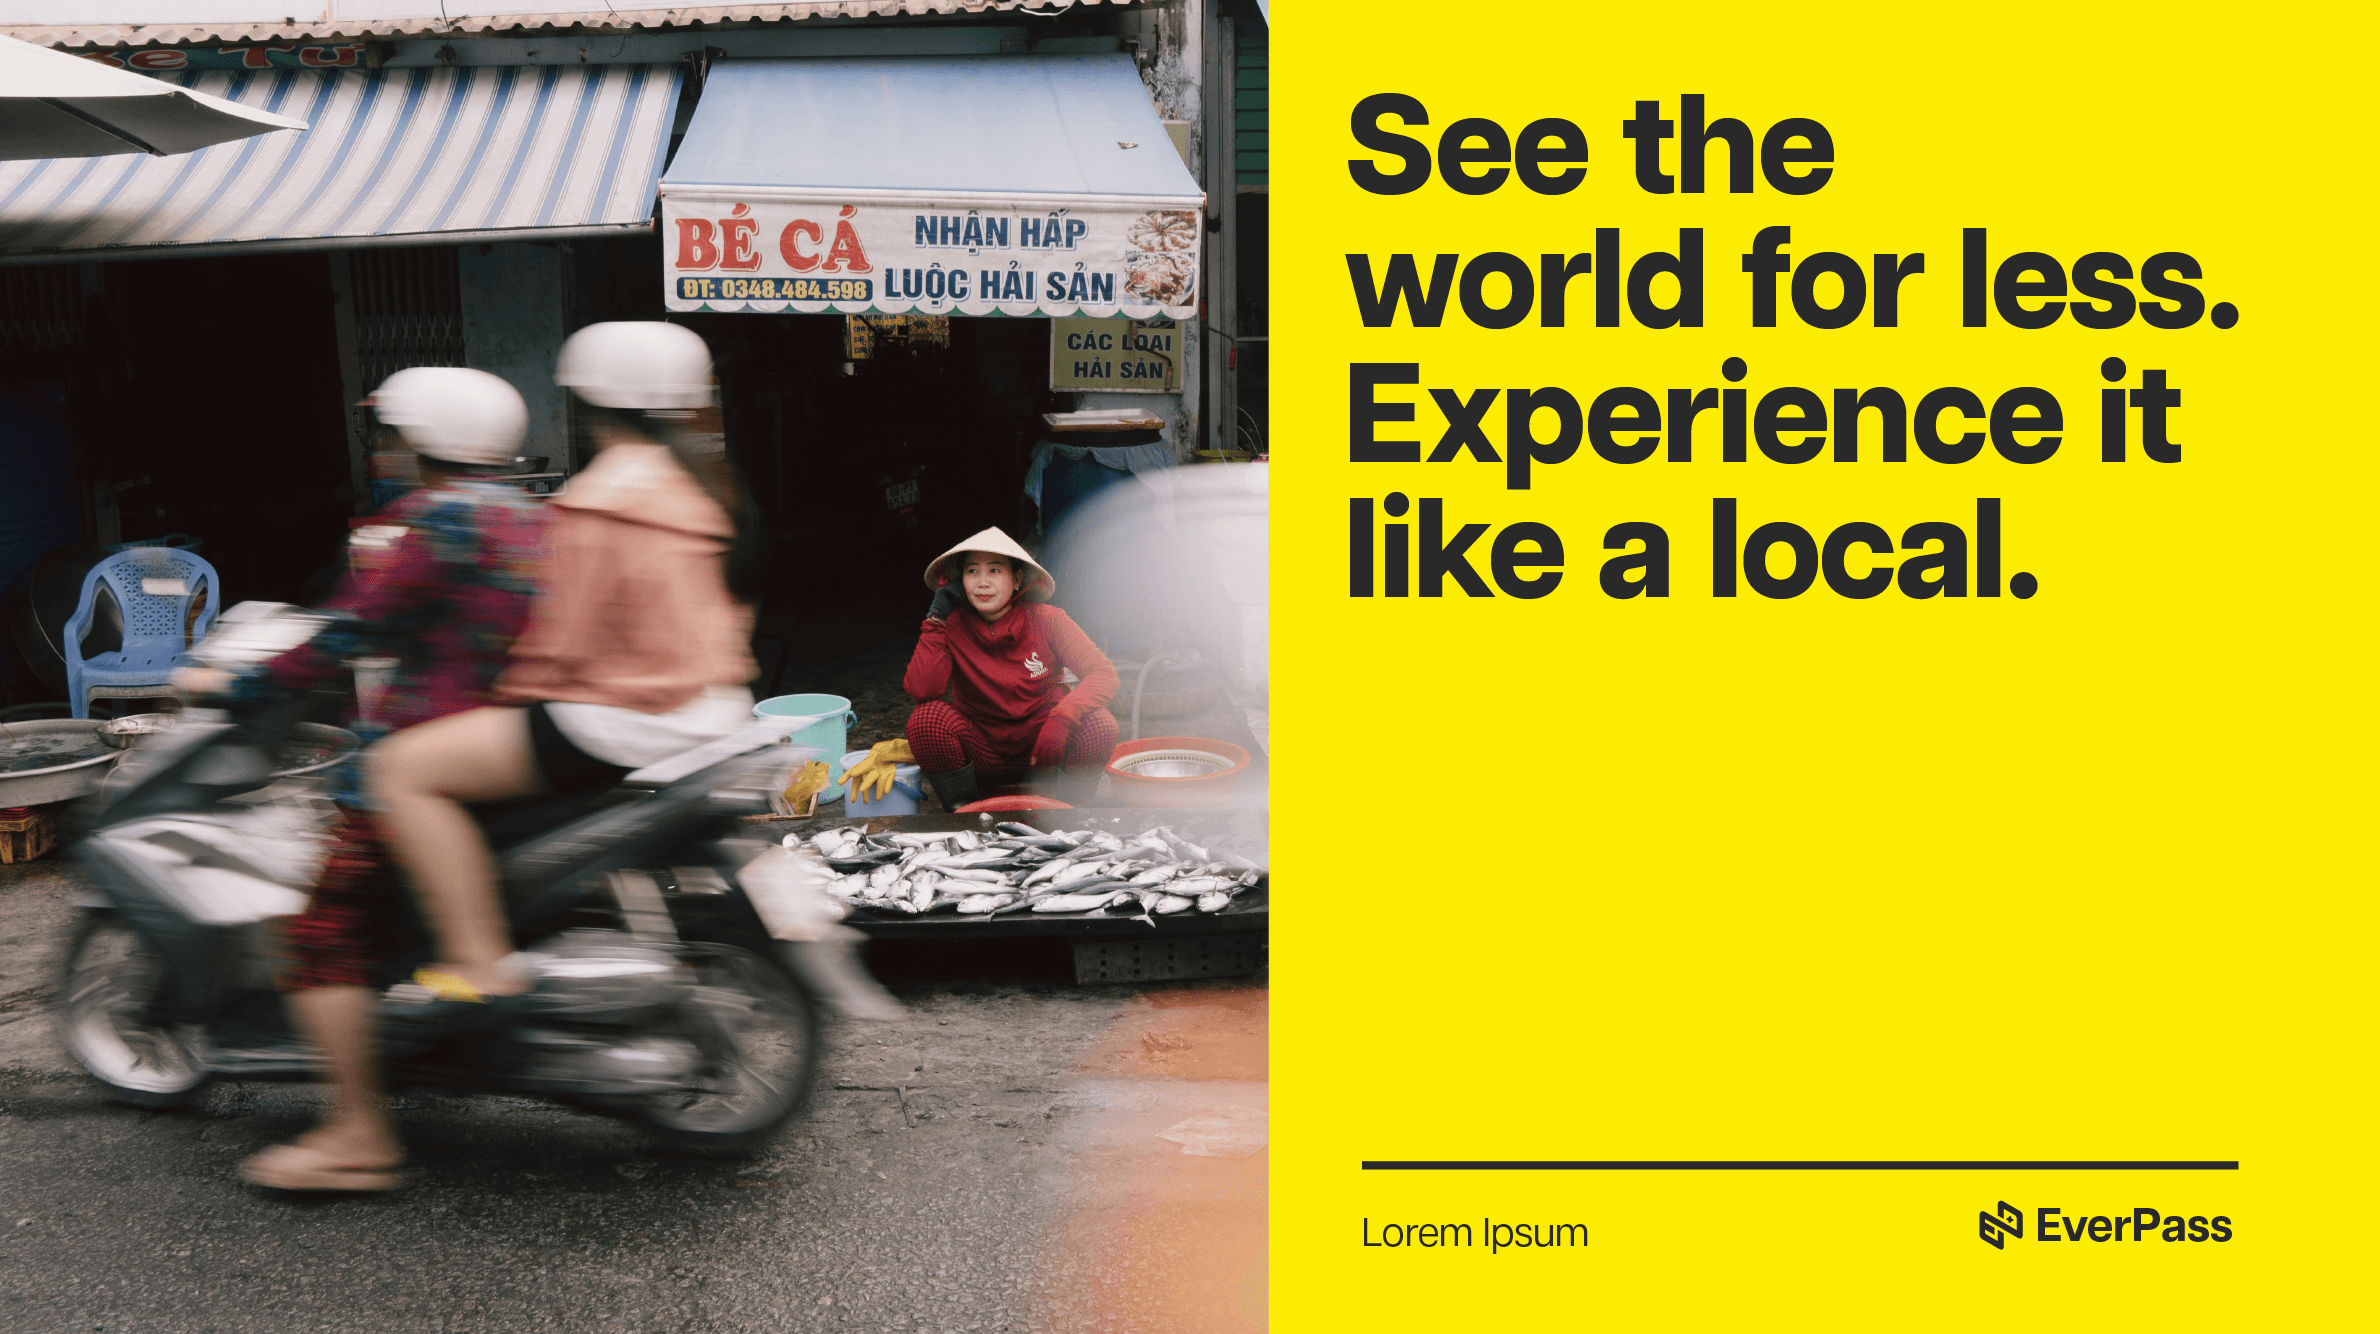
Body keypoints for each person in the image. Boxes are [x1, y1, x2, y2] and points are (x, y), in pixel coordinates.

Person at [196, 367, 550, 1192]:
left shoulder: (439, 521)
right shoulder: (528, 515)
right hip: (512, 748)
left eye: (391, 436)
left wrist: (239, 683)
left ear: (426, 443)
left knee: (320, 936)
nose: (384, 451)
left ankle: (357, 1132)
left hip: (422, 751)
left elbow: (350, 631)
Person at [364, 322, 758, 1019]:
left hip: (620, 718)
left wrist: (508, 698)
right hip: (714, 709)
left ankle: (479, 960)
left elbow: (560, 644)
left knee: (401, 770)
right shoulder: (696, 494)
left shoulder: (597, 498)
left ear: (588, 402)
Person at [902, 527, 1120, 811]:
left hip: (1043, 752)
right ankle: (965, 815)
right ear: (959, 581)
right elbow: (922, 690)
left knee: (1100, 724)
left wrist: (1063, 719)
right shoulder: (950, 625)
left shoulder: (1047, 619)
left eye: (994, 571)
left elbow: (1103, 673)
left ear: (1016, 579)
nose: (982, 582)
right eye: (972, 571)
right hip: (982, 754)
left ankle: (1069, 815)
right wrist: (936, 617)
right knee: (925, 720)